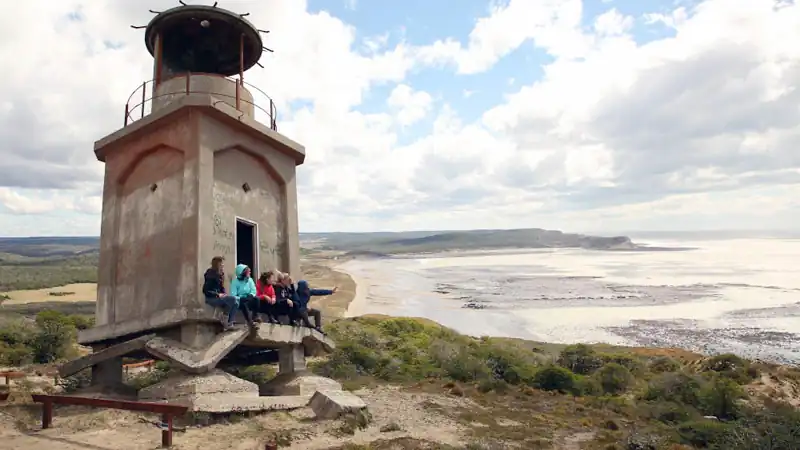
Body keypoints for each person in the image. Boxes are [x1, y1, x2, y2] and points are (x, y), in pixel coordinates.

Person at [202, 256, 240, 330]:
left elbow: (222, 288)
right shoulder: (210, 274)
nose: (223, 265)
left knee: (236, 302)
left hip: (219, 297)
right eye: (221, 264)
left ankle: (230, 323)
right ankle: (225, 319)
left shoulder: (221, 274)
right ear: (217, 264)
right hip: (211, 298)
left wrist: (224, 294)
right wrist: (218, 294)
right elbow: (205, 290)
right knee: (233, 299)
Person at [228, 263, 259, 330]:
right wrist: (241, 298)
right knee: (244, 304)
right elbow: (233, 295)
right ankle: (249, 321)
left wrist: (251, 295)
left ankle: (255, 316)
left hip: (248, 298)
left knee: (256, 299)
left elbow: (254, 290)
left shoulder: (250, 280)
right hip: (240, 300)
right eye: (248, 272)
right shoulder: (235, 282)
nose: (249, 273)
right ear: (243, 273)